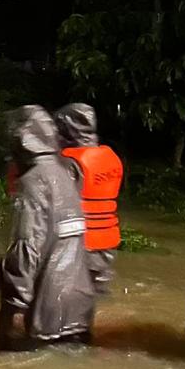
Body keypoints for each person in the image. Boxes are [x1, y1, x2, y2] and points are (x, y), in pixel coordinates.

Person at [0, 105, 95, 349]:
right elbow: (60, 237)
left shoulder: (33, 182)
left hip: (46, 315)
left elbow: (27, 245)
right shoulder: (68, 172)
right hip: (80, 308)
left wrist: (16, 306)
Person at [55, 103, 124, 294]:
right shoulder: (110, 156)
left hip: (80, 240)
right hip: (108, 238)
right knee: (96, 292)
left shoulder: (69, 162)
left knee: (67, 294)